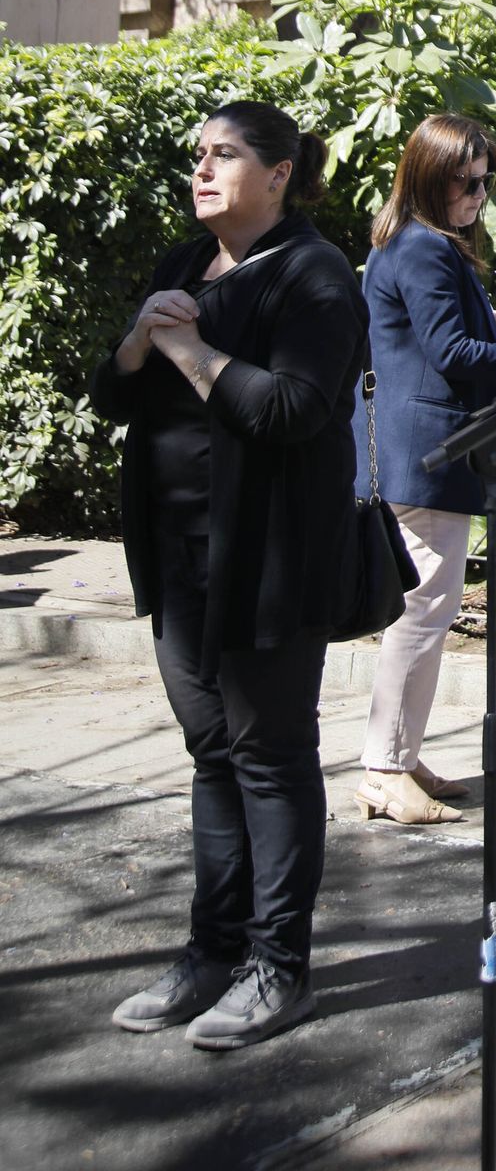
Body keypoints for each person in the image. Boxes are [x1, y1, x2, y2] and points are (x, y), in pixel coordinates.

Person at [89, 100, 368, 1052]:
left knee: (270, 754)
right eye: (197, 155)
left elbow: (293, 409)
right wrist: (138, 341)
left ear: (280, 173)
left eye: (224, 156)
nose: (201, 170)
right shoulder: (181, 264)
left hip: (270, 559)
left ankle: (276, 967)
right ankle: (211, 951)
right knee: (213, 753)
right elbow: (114, 394)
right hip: (177, 556)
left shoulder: (315, 275)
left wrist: (191, 350)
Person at [354, 113, 496, 826]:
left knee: (429, 609)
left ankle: (401, 756)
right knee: (423, 610)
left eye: (484, 180)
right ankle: (383, 767)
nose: (477, 194)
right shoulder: (424, 251)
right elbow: (454, 356)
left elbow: (446, 338)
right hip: (426, 454)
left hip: (419, 451)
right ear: (428, 179)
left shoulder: (414, 244)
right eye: (464, 182)